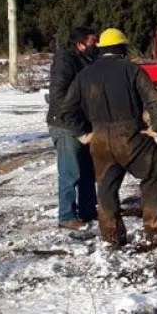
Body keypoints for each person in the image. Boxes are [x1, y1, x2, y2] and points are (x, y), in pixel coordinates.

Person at [61, 28, 157, 247]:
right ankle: (153, 226)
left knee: (106, 187)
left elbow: (67, 110)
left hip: (99, 138)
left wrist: (84, 133)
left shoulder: (85, 74)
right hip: (129, 136)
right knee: (155, 173)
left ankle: (111, 235)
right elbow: (154, 100)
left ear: (101, 49)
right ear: (122, 48)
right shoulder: (132, 69)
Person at [47, 27, 99, 231]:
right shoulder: (65, 62)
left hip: (83, 123)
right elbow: (59, 99)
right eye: (93, 41)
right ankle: (67, 216)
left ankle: (88, 210)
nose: (97, 45)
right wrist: (79, 131)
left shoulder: (88, 60)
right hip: (65, 124)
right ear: (80, 44)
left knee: (88, 171)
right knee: (71, 172)